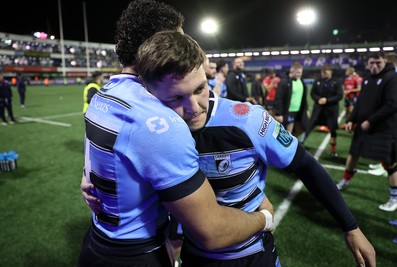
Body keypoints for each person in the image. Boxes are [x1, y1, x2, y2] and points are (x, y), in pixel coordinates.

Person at [84, 31, 376, 267]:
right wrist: (90, 182)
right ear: (150, 93)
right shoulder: (151, 130)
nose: (194, 107)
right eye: (176, 98)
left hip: (251, 256)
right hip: (195, 256)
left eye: (201, 88)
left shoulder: (248, 119)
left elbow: (305, 165)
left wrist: (351, 227)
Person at [78, 1, 272, 267]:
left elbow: (108, 156)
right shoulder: (158, 121)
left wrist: (89, 180)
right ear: (159, 46)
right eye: (179, 40)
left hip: (96, 244)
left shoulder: (105, 95)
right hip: (138, 255)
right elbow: (211, 231)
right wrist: (264, 218)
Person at [336, 51, 397, 213]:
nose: (375, 66)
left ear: (385, 61)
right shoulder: (367, 79)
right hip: (364, 127)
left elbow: (392, 104)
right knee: (354, 154)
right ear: (367, 63)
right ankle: (345, 180)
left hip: (383, 129)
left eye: (378, 62)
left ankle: (395, 198)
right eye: (372, 62)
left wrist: (370, 121)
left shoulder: (392, 78)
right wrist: (351, 119)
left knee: (389, 163)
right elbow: (360, 104)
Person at [306, 64, 343, 157]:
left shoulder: (337, 81)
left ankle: (333, 150)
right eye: (322, 72)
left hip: (331, 110)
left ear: (330, 72)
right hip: (318, 109)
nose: (322, 74)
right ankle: (301, 143)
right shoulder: (317, 80)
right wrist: (318, 99)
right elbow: (312, 93)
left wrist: (327, 100)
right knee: (309, 126)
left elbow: (339, 95)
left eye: (325, 72)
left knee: (333, 129)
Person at [274, 61, 309, 142]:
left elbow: (303, 96)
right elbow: (278, 98)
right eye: (298, 73)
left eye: (301, 73)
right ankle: (287, 146)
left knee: (304, 128)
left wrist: (306, 108)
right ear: (292, 71)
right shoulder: (284, 82)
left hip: (300, 112)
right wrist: (278, 113)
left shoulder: (301, 81)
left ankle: (290, 142)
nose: (300, 74)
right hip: (289, 111)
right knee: (288, 131)